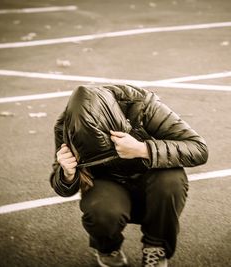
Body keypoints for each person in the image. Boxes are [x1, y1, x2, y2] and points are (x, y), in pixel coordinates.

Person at [50, 84, 208, 267]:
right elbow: (62, 188)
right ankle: (107, 247)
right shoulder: (66, 128)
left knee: (171, 181)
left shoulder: (143, 105)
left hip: (152, 174)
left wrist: (143, 149)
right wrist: (67, 174)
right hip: (108, 182)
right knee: (100, 212)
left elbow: (199, 149)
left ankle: (156, 247)